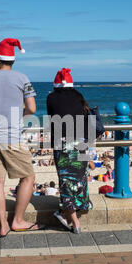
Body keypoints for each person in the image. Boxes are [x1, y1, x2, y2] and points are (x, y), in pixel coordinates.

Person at [0, 38, 43, 238]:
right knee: (29, 177)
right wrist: (18, 115)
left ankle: (3, 225)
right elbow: (32, 108)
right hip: (12, 137)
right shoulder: (22, 78)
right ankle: (18, 220)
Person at [47, 68, 93, 234]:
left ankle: (72, 220)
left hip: (63, 143)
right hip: (82, 143)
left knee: (65, 180)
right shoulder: (79, 96)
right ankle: (72, 211)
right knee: (80, 178)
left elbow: (52, 120)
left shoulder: (51, 97)